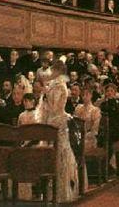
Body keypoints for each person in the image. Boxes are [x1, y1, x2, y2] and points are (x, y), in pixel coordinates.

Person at [35, 61, 79, 202]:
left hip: (58, 122)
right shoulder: (52, 85)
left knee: (59, 154)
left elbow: (56, 109)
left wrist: (46, 96)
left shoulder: (61, 87)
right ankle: (47, 192)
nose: (51, 72)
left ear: (59, 72)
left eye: (53, 70)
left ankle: (60, 192)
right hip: (49, 121)